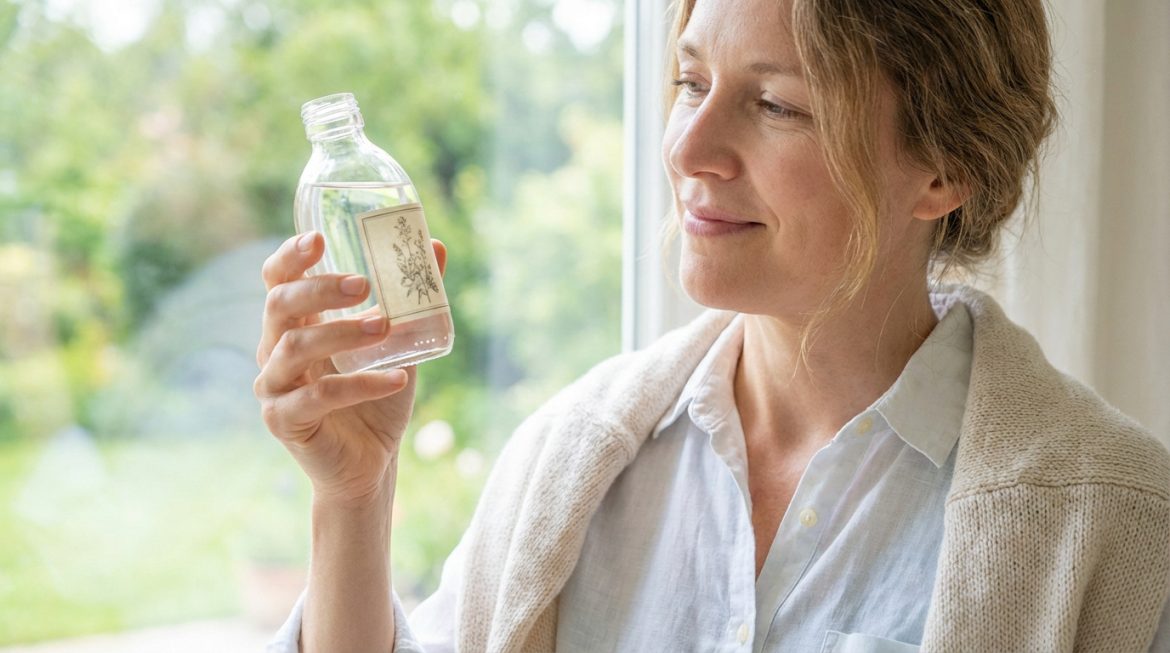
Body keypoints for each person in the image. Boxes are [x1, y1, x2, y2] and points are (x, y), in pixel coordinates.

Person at [255, 0, 1170, 650]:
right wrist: (354, 499)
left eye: (774, 104)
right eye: (693, 82)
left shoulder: (1117, 528)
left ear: (941, 166)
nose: (687, 149)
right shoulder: (569, 465)